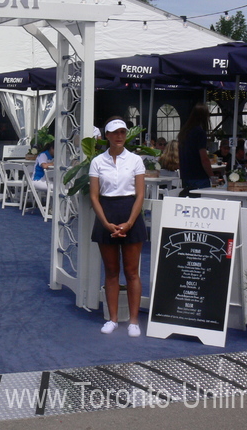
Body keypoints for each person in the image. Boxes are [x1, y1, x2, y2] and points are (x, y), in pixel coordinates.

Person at [88, 117, 146, 338]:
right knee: (111, 272)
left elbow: (140, 194)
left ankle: (133, 321)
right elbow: (94, 196)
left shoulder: (135, 160)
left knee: (132, 272)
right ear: (108, 136)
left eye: (123, 132)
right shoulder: (97, 162)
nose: (120, 136)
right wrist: (105, 222)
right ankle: (112, 319)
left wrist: (130, 222)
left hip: (130, 213)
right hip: (107, 214)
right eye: (115, 132)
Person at [178, 103, 215, 197]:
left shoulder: (184, 132)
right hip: (199, 176)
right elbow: (204, 158)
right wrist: (212, 176)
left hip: (186, 175)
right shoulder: (200, 133)